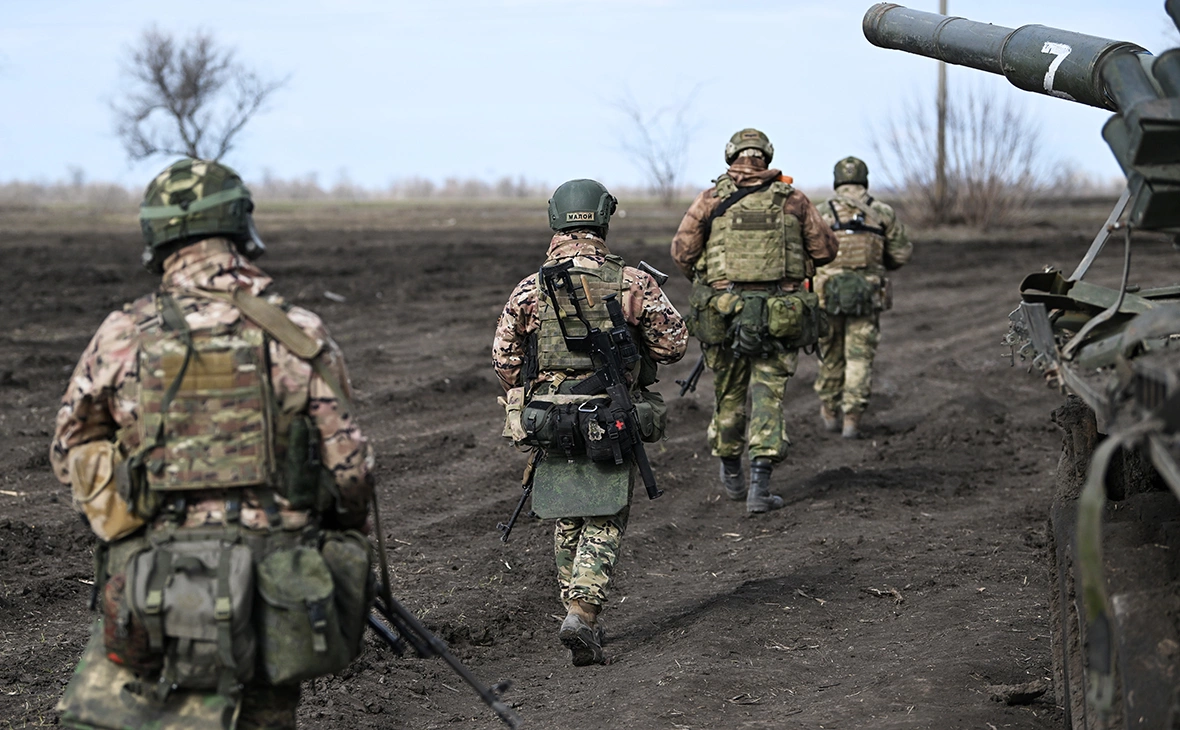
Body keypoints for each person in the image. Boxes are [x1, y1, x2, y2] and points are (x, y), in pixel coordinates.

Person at [50, 158, 375, 730]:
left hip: (157, 579)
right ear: (240, 226)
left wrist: (128, 516)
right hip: (274, 585)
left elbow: (69, 450)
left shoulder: (122, 333)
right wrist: (330, 530)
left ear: (155, 235)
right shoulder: (296, 332)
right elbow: (349, 469)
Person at [493, 179, 687, 666]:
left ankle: (575, 614)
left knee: (565, 511)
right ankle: (582, 613)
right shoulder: (633, 283)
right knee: (604, 514)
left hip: (550, 417)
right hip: (610, 413)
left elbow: (504, 359)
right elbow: (674, 345)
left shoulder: (531, 286)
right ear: (603, 218)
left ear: (556, 219)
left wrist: (542, 388)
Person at [671, 128, 838, 513]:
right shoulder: (792, 199)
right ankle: (759, 490)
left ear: (731, 157)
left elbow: (681, 252)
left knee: (728, 394)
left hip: (724, 312)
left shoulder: (711, 198)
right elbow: (827, 249)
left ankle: (732, 475)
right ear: (766, 156)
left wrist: (715, 281)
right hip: (780, 314)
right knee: (769, 397)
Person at [812, 156, 913, 439]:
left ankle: (829, 411)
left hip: (825, 297)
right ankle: (852, 420)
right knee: (859, 358)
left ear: (837, 181)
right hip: (866, 297)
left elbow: (805, 253)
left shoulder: (821, 212)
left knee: (829, 355)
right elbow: (902, 253)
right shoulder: (881, 212)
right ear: (865, 180)